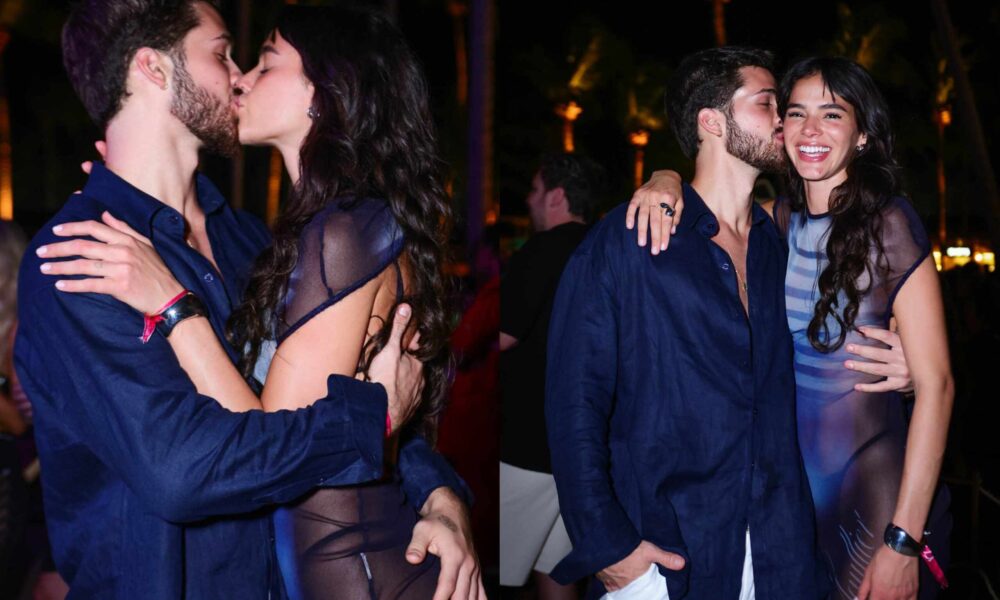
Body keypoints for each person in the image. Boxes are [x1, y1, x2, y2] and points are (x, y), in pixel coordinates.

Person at [17, 1, 479, 598]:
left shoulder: (247, 239)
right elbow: (185, 472)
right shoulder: (81, 255)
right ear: (154, 68)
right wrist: (371, 421)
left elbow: (330, 396)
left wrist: (438, 492)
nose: (238, 77)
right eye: (222, 54)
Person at [627, 57, 953, 600]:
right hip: (793, 506)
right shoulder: (775, 224)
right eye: (796, 113)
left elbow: (938, 387)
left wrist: (903, 540)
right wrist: (664, 178)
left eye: (832, 114)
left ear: (862, 134)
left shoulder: (890, 224)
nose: (810, 130)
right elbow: (713, 198)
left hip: (877, 497)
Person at [545, 47, 821, 600]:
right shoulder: (630, 240)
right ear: (711, 122)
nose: (785, 120)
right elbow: (574, 403)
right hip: (666, 558)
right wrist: (609, 549)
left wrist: (905, 365)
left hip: (781, 554)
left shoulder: (782, 248)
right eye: (767, 103)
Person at [499, 153, 604, 599]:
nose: (529, 200)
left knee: (480, 571)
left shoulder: (541, 250)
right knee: (557, 575)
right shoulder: (605, 250)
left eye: (535, 190)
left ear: (557, 196)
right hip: (581, 453)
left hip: (523, 449)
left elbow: (501, 337)